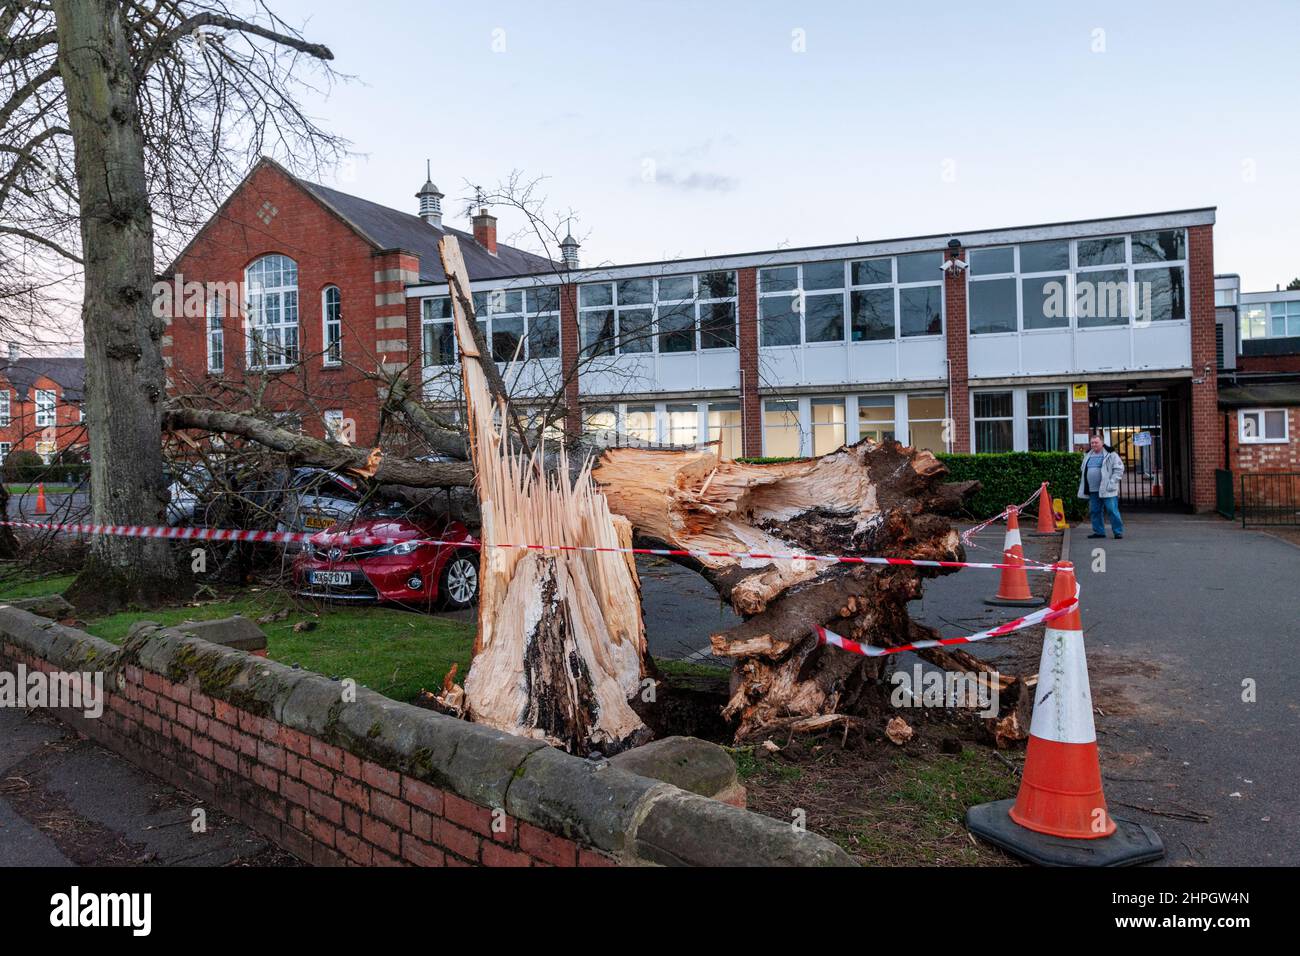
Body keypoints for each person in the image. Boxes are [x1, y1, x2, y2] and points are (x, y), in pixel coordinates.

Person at [1078, 434, 1124, 539]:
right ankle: (1099, 532)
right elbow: (1083, 469)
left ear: (1102, 443)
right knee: (1094, 511)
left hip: (1107, 489)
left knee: (1112, 510)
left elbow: (1119, 469)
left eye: (1096, 442)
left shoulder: (1111, 454)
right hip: (1093, 490)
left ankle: (1118, 532)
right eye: (1092, 443)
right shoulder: (1088, 455)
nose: (1094, 445)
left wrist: (1112, 482)